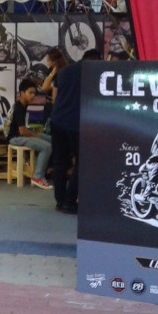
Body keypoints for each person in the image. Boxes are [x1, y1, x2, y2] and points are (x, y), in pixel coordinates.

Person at [49, 48, 103, 214]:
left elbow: (55, 96)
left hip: (57, 120)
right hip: (77, 123)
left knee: (59, 161)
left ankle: (60, 201)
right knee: (83, 162)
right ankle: (69, 201)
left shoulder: (64, 71)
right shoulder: (92, 73)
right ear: (95, 61)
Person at [6, 79, 53, 190]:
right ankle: (38, 177)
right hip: (16, 138)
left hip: (22, 135)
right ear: (22, 93)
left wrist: (36, 134)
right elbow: (22, 131)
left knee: (52, 139)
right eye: (30, 93)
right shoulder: (19, 107)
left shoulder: (25, 105)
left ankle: (39, 171)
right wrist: (36, 136)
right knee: (47, 146)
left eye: (34, 93)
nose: (33, 95)